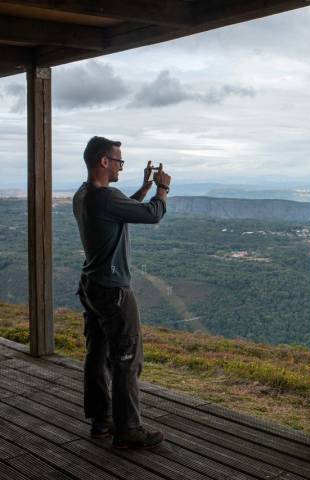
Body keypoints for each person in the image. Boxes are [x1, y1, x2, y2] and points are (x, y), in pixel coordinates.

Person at [73, 136, 171, 449]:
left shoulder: (84, 194)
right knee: (128, 358)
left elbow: (118, 209)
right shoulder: (106, 197)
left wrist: (142, 188)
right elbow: (153, 214)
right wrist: (161, 188)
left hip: (91, 287)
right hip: (114, 291)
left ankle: (101, 422)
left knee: (97, 354)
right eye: (118, 161)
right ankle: (128, 430)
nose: (120, 167)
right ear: (104, 161)